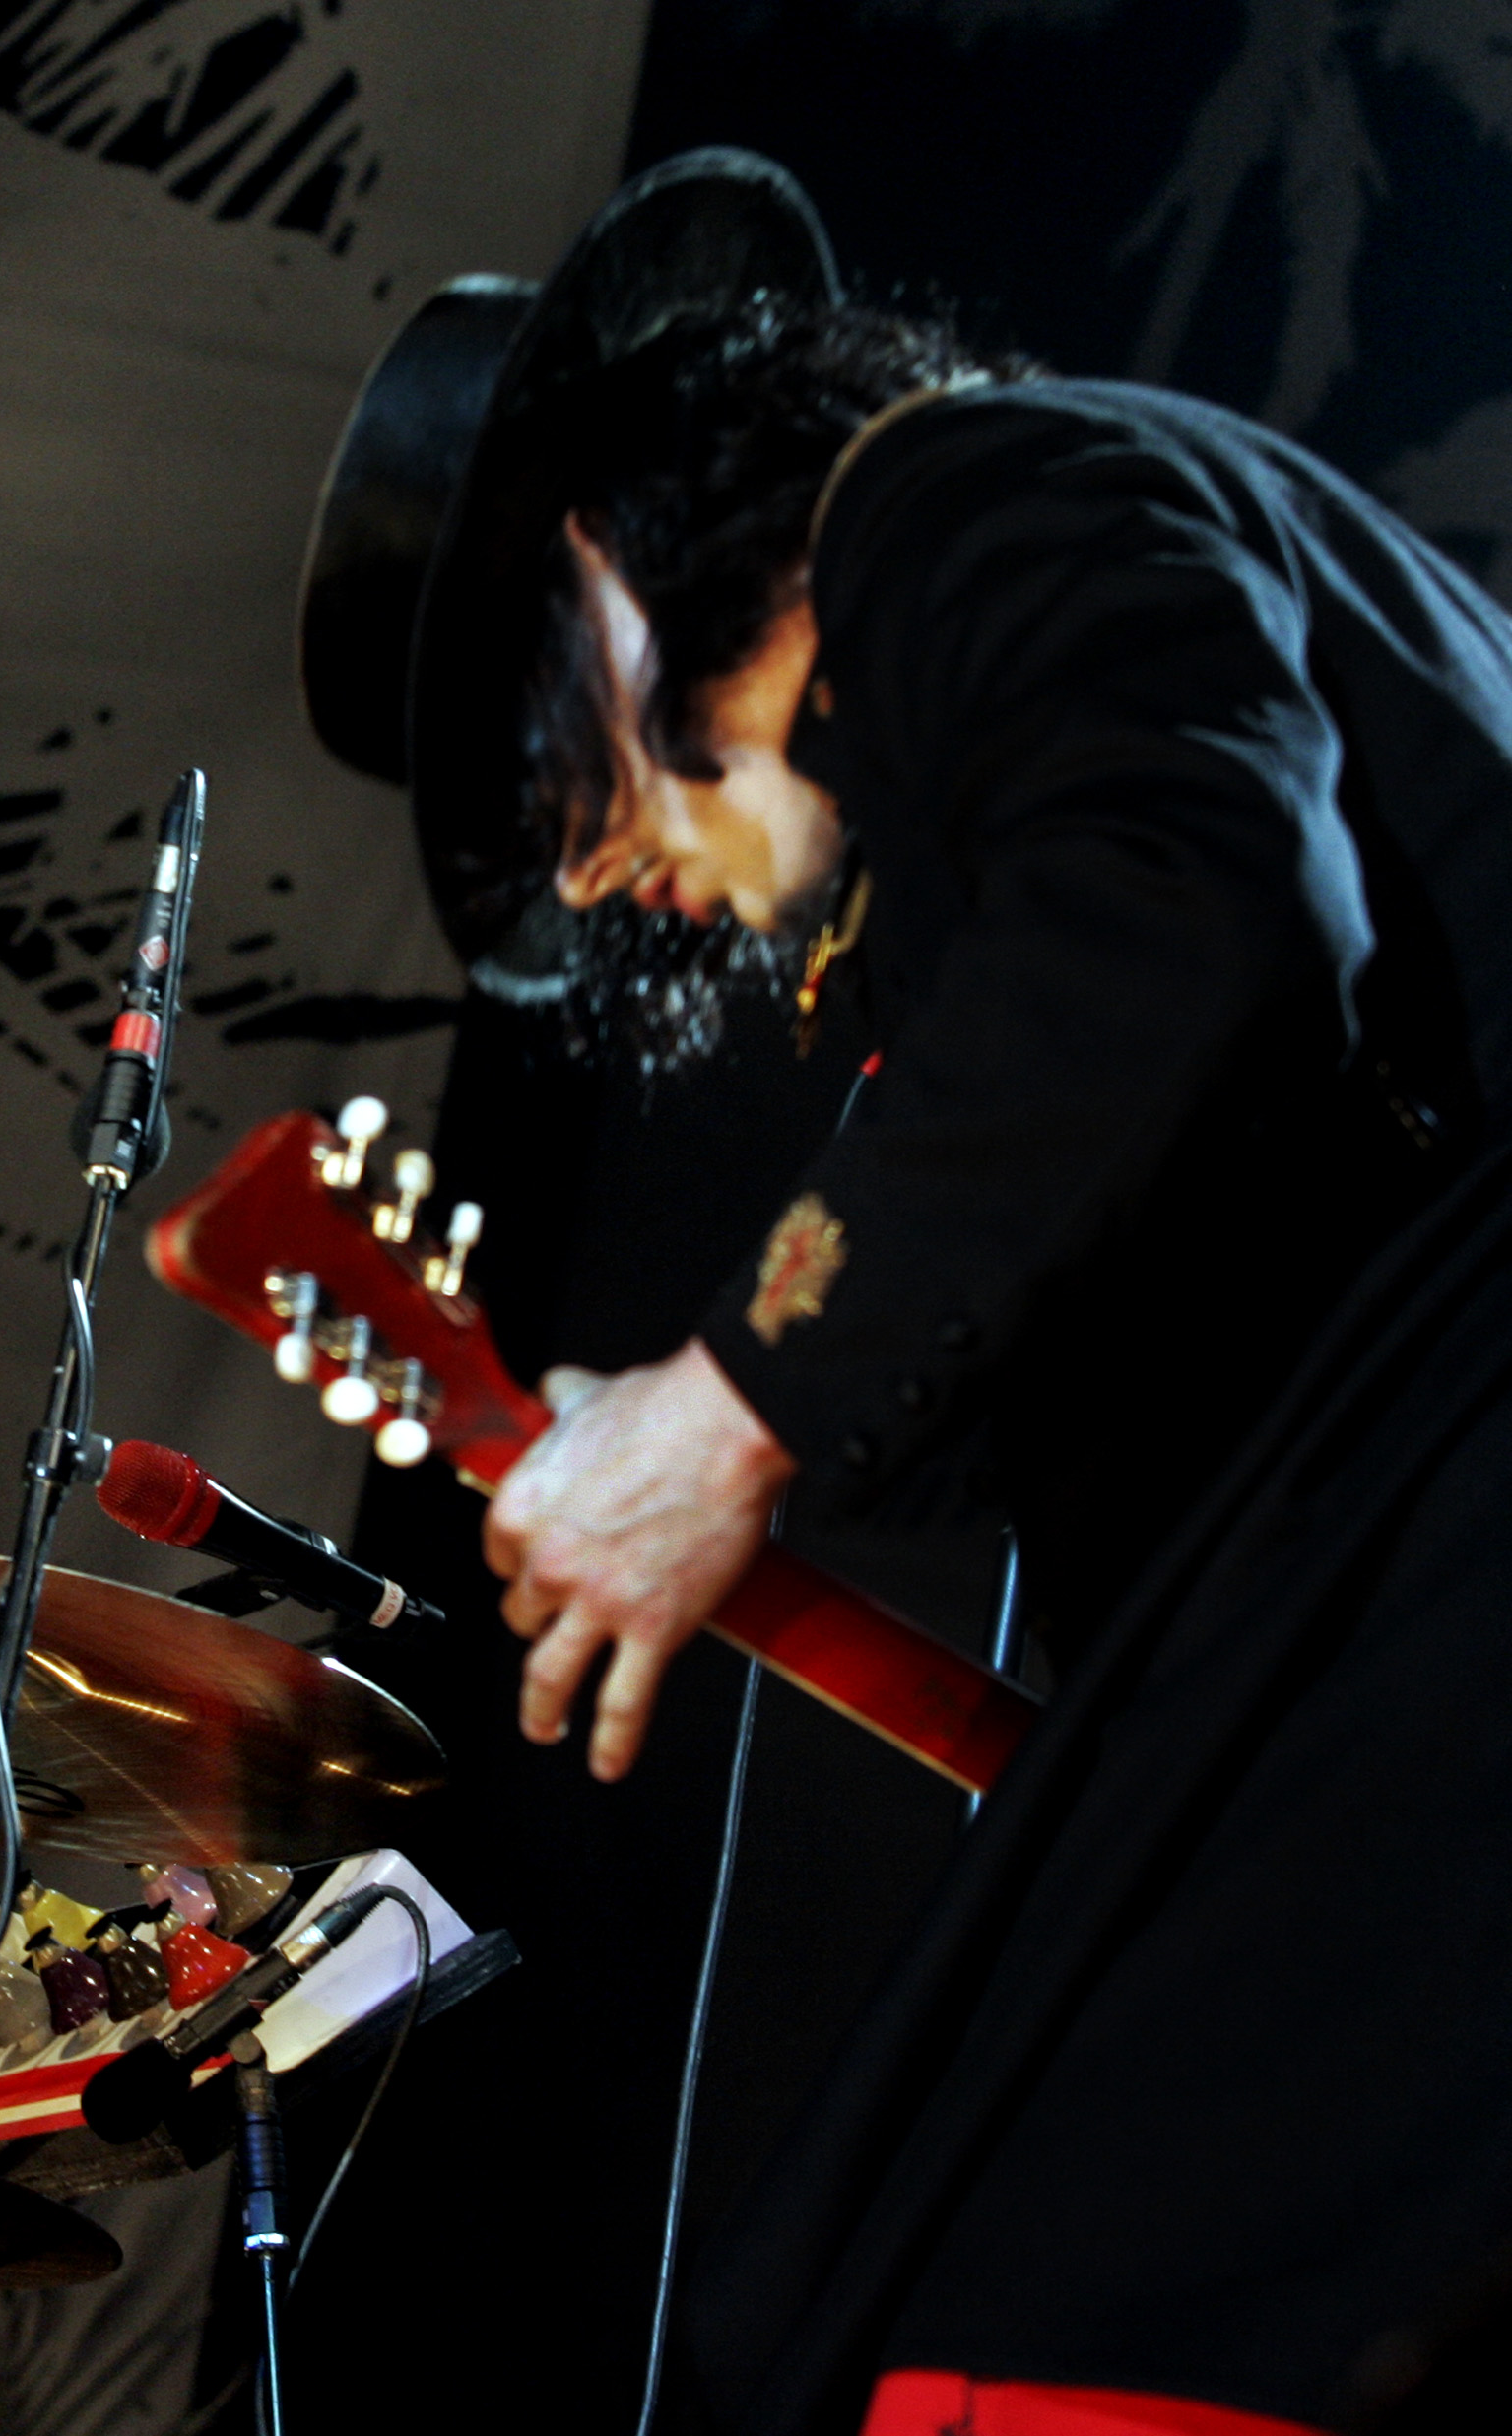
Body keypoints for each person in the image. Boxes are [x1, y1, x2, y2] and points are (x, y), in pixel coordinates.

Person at [307, 154, 1512, 2436]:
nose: (586, 864)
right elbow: (1146, 1157)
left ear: (601, 559)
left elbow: (1207, 884)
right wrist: (698, 1430)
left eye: (526, 736)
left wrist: (733, 1404)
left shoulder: (969, 492)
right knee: (918, 2275)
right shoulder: (974, 784)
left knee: (1033, 2287)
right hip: (1385, 1526)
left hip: (1450, 1488)